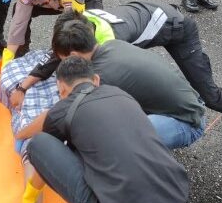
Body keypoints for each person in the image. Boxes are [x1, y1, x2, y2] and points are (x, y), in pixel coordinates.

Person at [10, 2, 222, 151]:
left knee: (211, 96)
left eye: (64, 59)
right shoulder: (92, 36)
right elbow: (57, 57)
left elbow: (66, 114)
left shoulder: (104, 62)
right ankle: (171, 112)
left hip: (177, 28)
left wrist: (23, 134)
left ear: (75, 51)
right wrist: (24, 85)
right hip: (152, 19)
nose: (61, 64)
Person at [23, 57, 189, 203]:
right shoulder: (121, 94)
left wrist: (31, 195)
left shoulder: (64, 108)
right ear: (96, 80)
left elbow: (44, 155)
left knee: (38, 143)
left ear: (61, 88)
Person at [47, 20, 206, 149]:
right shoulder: (113, 45)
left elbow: (79, 114)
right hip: (191, 103)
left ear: (74, 55)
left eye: (64, 60)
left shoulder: (102, 75)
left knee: (108, 139)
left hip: (188, 122)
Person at [0, 50, 60, 203]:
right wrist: (22, 135)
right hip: (26, 78)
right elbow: (38, 122)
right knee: (32, 145)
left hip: (55, 81)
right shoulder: (27, 69)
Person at [4, 0, 102, 60]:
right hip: (56, 1)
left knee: (88, 28)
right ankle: (21, 54)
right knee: (18, 9)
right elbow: (19, 22)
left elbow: (74, 21)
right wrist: (8, 56)